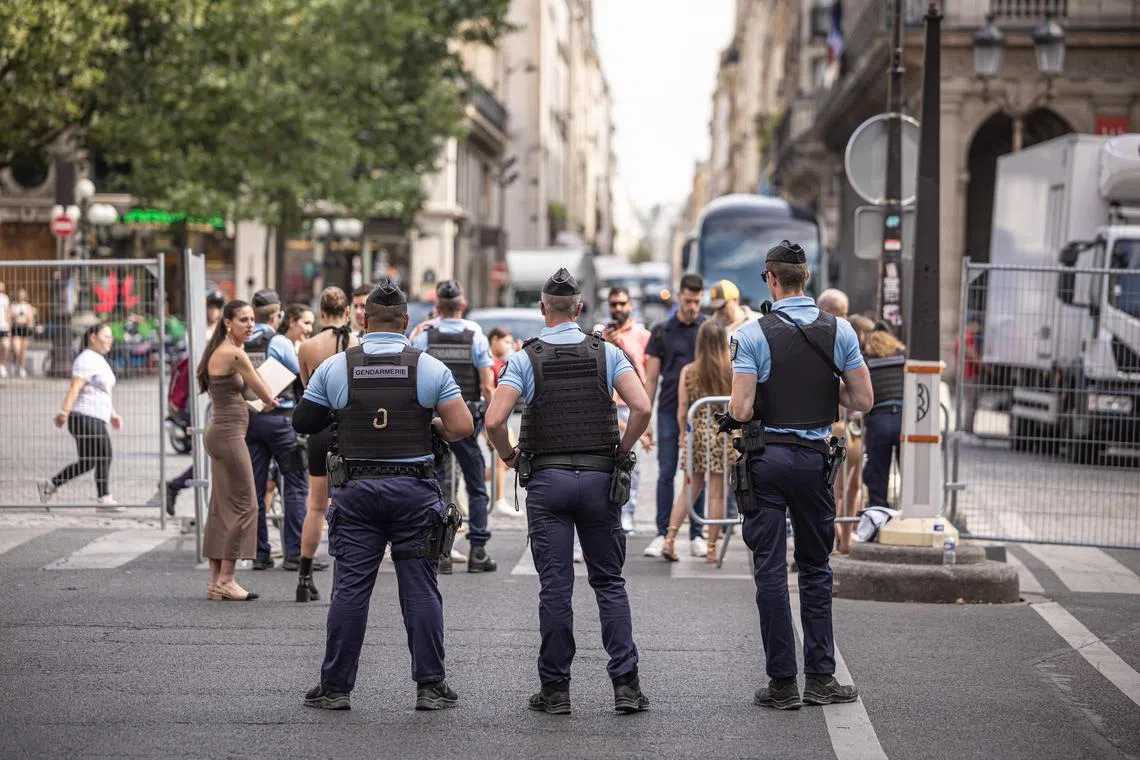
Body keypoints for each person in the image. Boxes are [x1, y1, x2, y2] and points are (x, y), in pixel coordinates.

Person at [293, 277, 473, 712]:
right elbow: (463, 427)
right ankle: (430, 687)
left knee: (351, 590)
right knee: (420, 590)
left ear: (363, 319)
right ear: (407, 321)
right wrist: (433, 426)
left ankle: (336, 687)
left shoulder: (337, 367)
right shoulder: (428, 367)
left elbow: (303, 421)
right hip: (414, 492)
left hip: (357, 492)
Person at [486, 268, 652, 716]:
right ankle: (626, 687)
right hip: (600, 479)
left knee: (555, 588)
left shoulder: (526, 358)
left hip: (549, 481)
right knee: (609, 583)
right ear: (579, 308)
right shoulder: (607, 353)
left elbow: (494, 421)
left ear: (543, 309)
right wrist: (621, 449)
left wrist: (510, 457)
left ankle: (556, 690)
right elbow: (641, 407)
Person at [724, 240, 873, 710]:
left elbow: (742, 407)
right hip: (813, 461)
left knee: (768, 569)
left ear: (770, 279)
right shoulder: (840, 329)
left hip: (765, 460)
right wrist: (829, 398)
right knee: (814, 568)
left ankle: (783, 683)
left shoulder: (751, 334)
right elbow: (863, 400)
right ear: (806, 278)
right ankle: (822, 678)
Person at [412, 280, 497, 574]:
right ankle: (479, 551)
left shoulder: (425, 336)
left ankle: (441, 552)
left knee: (437, 485)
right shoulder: (475, 335)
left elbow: (415, 376)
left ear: (437, 308)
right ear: (461, 305)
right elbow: (487, 384)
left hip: (433, 422)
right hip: (466, 421)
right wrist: (491, 423)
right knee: (475, 485)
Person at [196, 300, 279, 601]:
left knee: (221, 505)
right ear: (228, 322)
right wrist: (270, 394)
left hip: (223, 433)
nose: (250, 325)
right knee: (247, 504)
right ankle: (228, 579)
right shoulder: (234, 353)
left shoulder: (220, 350)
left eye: (253, 319)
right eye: (243, 320)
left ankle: (215, 581)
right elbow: (264, 392)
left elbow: (243, 391)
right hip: (229, 436)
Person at [294, 287, 358, 602]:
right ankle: (346, 574)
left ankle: (304, 577)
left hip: (319, 430)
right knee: (352, 505)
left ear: (320, 313)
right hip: (351, 431)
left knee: (315, 506)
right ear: (347, 313)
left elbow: (309, 390)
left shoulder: (306, 346)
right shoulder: (358, 345)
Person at [244, 289, 310, 572]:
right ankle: (294, 553)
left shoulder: (241, 341)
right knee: (295, 484)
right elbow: (302, 373)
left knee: (256, 488)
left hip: (251, 420)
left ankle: (260, 554)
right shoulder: (279, 341)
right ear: (277, 315)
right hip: (282, 420)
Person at [643, 273, 706, 558]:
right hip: (669, 409)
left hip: (703, 411)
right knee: (666, 472)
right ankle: (661, 532)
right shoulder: (661, 331)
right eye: (688, 300)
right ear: (680, 296)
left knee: (699, 472)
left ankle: (697, 533)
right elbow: (651, 378)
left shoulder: (708, 329)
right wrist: (645, 419)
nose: (692, 306)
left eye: (697, 300)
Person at [662, 319, 735, 562]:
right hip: (722, 436)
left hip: (697, 435)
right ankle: (712, 548)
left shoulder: (689, 371)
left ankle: (670, 539)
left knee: (689, 489)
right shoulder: (731, 371)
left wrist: (684, 433)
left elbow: (682, 409)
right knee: (716, 493)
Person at [38, 323, 124, 511]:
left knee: (88, 461)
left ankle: (50, 485)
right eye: (106, 336)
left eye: (111, 337)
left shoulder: (99, 359)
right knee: (105, 453)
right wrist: (64, 412)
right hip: (84, 416)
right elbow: (75, 387)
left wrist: (113, 414)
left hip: (94, 416)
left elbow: (102, 392)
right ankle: (104, 498)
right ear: (92, 337)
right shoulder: (86, 359)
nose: (110, 340)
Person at [601, 286, 653, 536]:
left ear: (630, 305)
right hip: (604, 406)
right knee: (603, 462)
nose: (618, 309)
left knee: (629, 462)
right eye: (613, 304)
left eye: (622, 304)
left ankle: (628, 512)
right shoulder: (599, 334)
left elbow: (647, 373)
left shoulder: (642, 335)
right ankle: (606, 511)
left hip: (629, 406)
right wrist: (607, 343)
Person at [862, 325, 906, 508]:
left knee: (877, 476)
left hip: (878, 420)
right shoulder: (903, 358)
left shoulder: (866, 361)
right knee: (910, 474)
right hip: (903, 420)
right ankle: (908, 514)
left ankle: (878, 515)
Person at [487, 326, 515, 517]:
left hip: (502, 416)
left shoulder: (501, 362)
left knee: (507, 458)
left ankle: (474, 480)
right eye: (506, 342)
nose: (509, 346)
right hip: (494, 416)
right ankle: (499, 500)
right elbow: (489, 389)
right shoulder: (488, 362)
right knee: (502, 458)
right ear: (494, 339)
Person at [9, 287, 36, 378]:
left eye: (22, 294)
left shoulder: (27, 306)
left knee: (23, 351)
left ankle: (22, 368)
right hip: (16, 328)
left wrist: (30, 328)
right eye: (19, 294)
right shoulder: (13, 305)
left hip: (24, 328)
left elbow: (30, 319)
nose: (21, 295)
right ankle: (14, 363)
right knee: (16, 349)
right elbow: (9, 318)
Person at [0, 281, 10, 378]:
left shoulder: (5, 298)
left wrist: (9, 326)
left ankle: (3, 366)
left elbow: (8, 313)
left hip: (3, 326)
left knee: (5, 346)